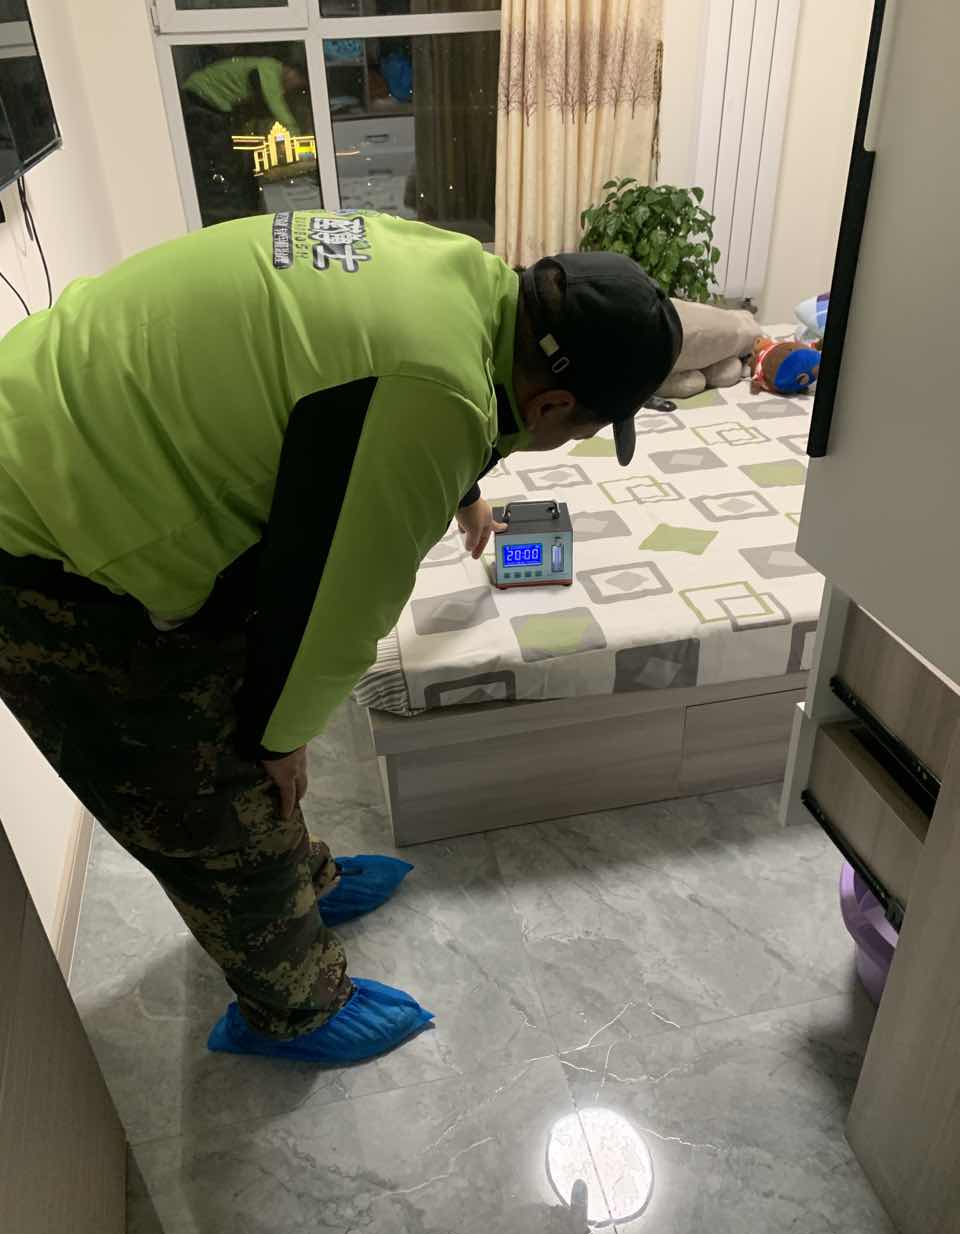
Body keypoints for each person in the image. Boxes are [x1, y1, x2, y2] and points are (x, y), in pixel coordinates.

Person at [0, 212, 681, 1064]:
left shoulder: (460, 274)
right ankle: (293, 1010)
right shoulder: (434, 393)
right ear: (552, 404)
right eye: (583, 430)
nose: (567, 439)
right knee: (199, 794)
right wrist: (281, 739)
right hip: (35, 527)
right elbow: (335, 609)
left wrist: (464, 487)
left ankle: (302, 878)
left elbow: (363, 387)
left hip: (53, 413)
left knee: (242, 730)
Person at [180, 56, 307, 223]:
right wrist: (299, 137)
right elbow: (275, 105)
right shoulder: (268, 70)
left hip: (207, 100)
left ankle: (227, 211)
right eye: (296, 82)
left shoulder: (268, 69)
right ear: (291, 71)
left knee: (223, 159)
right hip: (200, 97)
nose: (292, 87)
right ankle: (221, 214)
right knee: (219, 161)